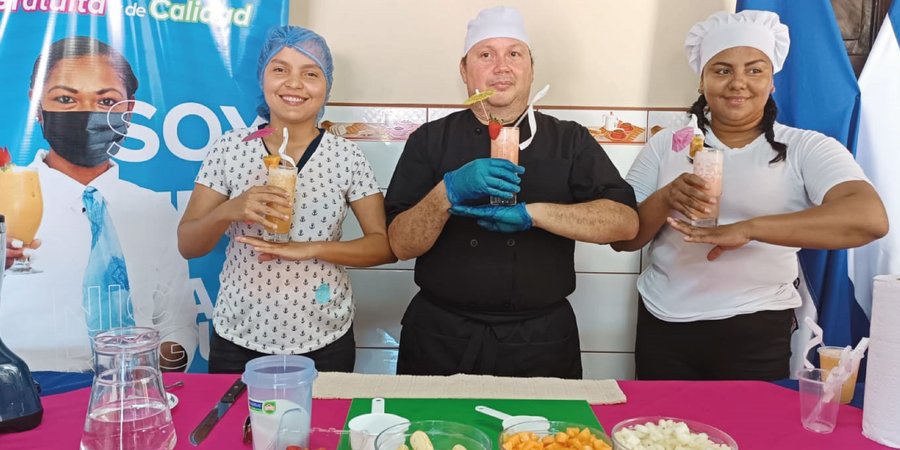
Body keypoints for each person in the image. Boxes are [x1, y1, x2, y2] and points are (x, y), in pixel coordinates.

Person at [612, 10, 889, 380]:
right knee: (662, 432)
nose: (738, 82)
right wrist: (666, 198)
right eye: (722, 70)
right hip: (664, 324)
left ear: (772, 81)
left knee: (746, 433)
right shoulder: (667, 144)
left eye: (755, 70)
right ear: (702, 80)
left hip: (756, 326)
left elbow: (869, 219)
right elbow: (623, 239)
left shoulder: (805, 148)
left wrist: (749, 228)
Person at [384, 6, 639, 379]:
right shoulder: (429, 140)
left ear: (531, 69)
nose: (501, 66)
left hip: (542, 341)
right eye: (486, 54)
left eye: (514, 54)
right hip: (441, 337)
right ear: (464, 69)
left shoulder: (569, 140)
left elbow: (625, 223)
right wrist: (447, 192)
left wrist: (534, 214)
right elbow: (400, 244)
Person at [178, 26, 394, 374]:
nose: (294, 84)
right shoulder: (231, 148)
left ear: (326, 88)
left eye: (310, 73)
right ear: (262, 78)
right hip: (240, 335)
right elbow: (188, 244)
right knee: (239, 429)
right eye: (280, 69)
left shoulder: (346, 156)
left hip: (324, 334)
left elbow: (382, 246)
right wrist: (230, 209)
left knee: (321, 429)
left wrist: (310, 248)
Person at [0, 36, 197, 372]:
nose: (87, 114)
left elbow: (176, 321)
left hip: (134, 402)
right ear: (36, 105)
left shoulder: (154, 210)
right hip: (29, 404)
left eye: (106, 101)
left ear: (129, 112)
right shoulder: (6, 204)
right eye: (65, 98)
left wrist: (152, 370)